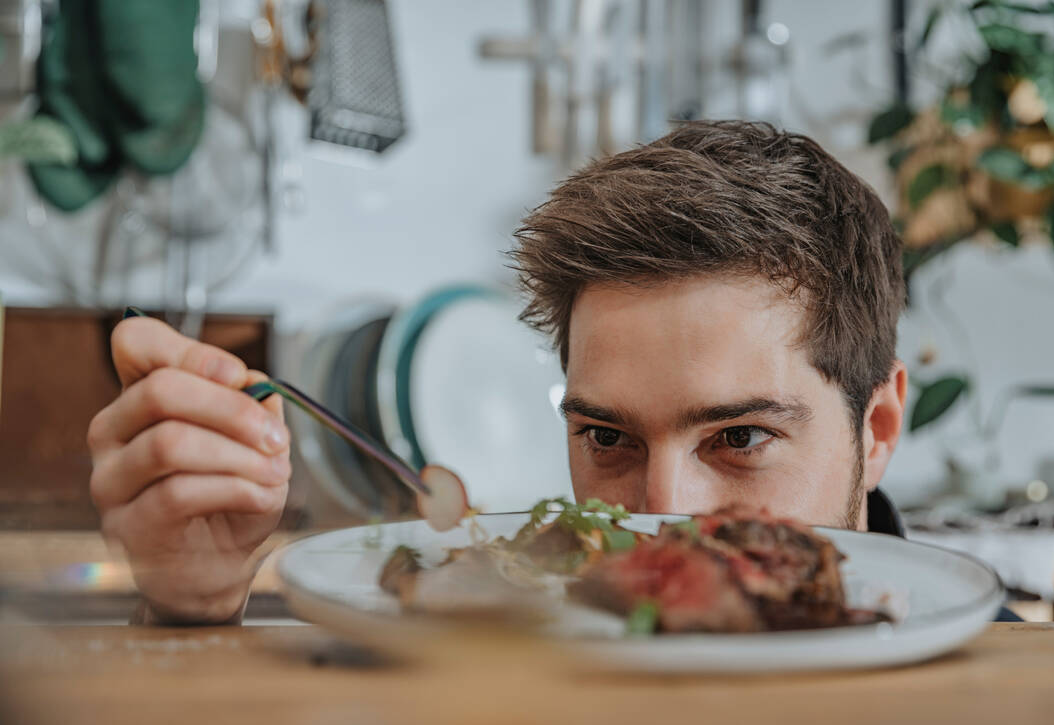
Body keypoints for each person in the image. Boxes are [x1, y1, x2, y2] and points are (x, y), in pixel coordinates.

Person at [86, 121, 951, 624]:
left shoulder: (1012, 695)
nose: (662, 517)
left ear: (875, 431)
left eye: (741, 437)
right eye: (606, 437)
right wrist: (196, 605)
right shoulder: (499, 662)